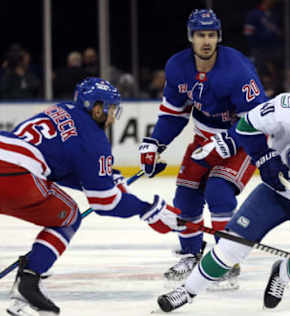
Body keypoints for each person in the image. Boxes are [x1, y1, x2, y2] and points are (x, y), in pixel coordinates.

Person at [156, 58, 290, 312]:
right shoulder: (286, 106)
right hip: (277, 190)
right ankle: (187, 291)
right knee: (231, 247)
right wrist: (264, 157)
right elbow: (247, 126)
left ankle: (281, 274)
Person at [0, 77, 184, 315]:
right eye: (112, 109)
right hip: (17, 174)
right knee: (68, 217)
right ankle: (29, 280)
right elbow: (105, 203)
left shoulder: (61, 108)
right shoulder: (94, 139)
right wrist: (148, 208)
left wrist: (108, 177)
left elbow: (58, 164)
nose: (112, 116)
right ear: (98, 108)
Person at [138, 9, 268, 286]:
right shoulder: (176, 67)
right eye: (200, 35)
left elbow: (259, 118)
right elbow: (174, 115)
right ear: (191, 37)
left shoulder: (237, 69)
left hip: (243, 140)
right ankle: (191, 255)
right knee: (185, 196)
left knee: (219, 191)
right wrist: (155, 143)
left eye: (211, 35)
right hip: (204, 138)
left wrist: (231, 140)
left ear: (218, 37)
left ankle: (224, 260)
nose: (206, 41)